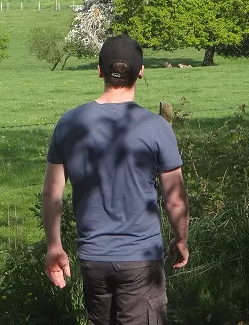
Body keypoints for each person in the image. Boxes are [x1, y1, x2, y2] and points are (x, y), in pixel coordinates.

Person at [42, 34, 190, 325]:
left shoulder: (69, 123)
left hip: (92, 259)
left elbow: (51, 193)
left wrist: (54, 246)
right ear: (141, 72)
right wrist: (181, 238)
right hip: (141, 260)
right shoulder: (156, 127)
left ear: (99, 71)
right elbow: (174, 198)